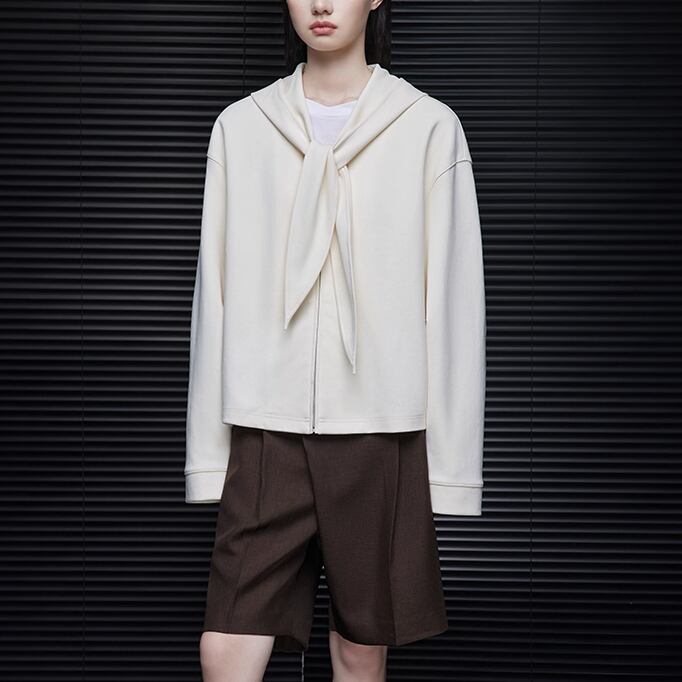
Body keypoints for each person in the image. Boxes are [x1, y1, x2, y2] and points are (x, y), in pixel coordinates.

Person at [185, 1, 487, 680]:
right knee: (226, 646)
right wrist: (210, 457)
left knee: (358, 650)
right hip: (264, 429)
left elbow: (454, 305)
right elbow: (215, 296)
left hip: (381, 432)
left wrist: (448, 469)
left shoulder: (428, 127)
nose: (322, 4)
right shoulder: (241, 127)